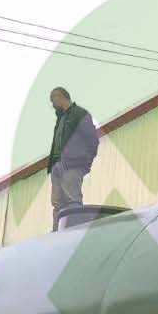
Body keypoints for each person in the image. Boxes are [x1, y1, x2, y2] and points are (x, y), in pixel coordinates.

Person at [47, 86, 98, 228]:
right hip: (57, 164)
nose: (52, 105)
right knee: (57, 202)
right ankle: (57, 231)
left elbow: (93, 140)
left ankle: (75, 229)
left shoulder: (80, 114)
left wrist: (83, 162)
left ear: (59, 97)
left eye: (52, 101)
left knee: (73, 199)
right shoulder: (61, 118)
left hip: (72, 165)